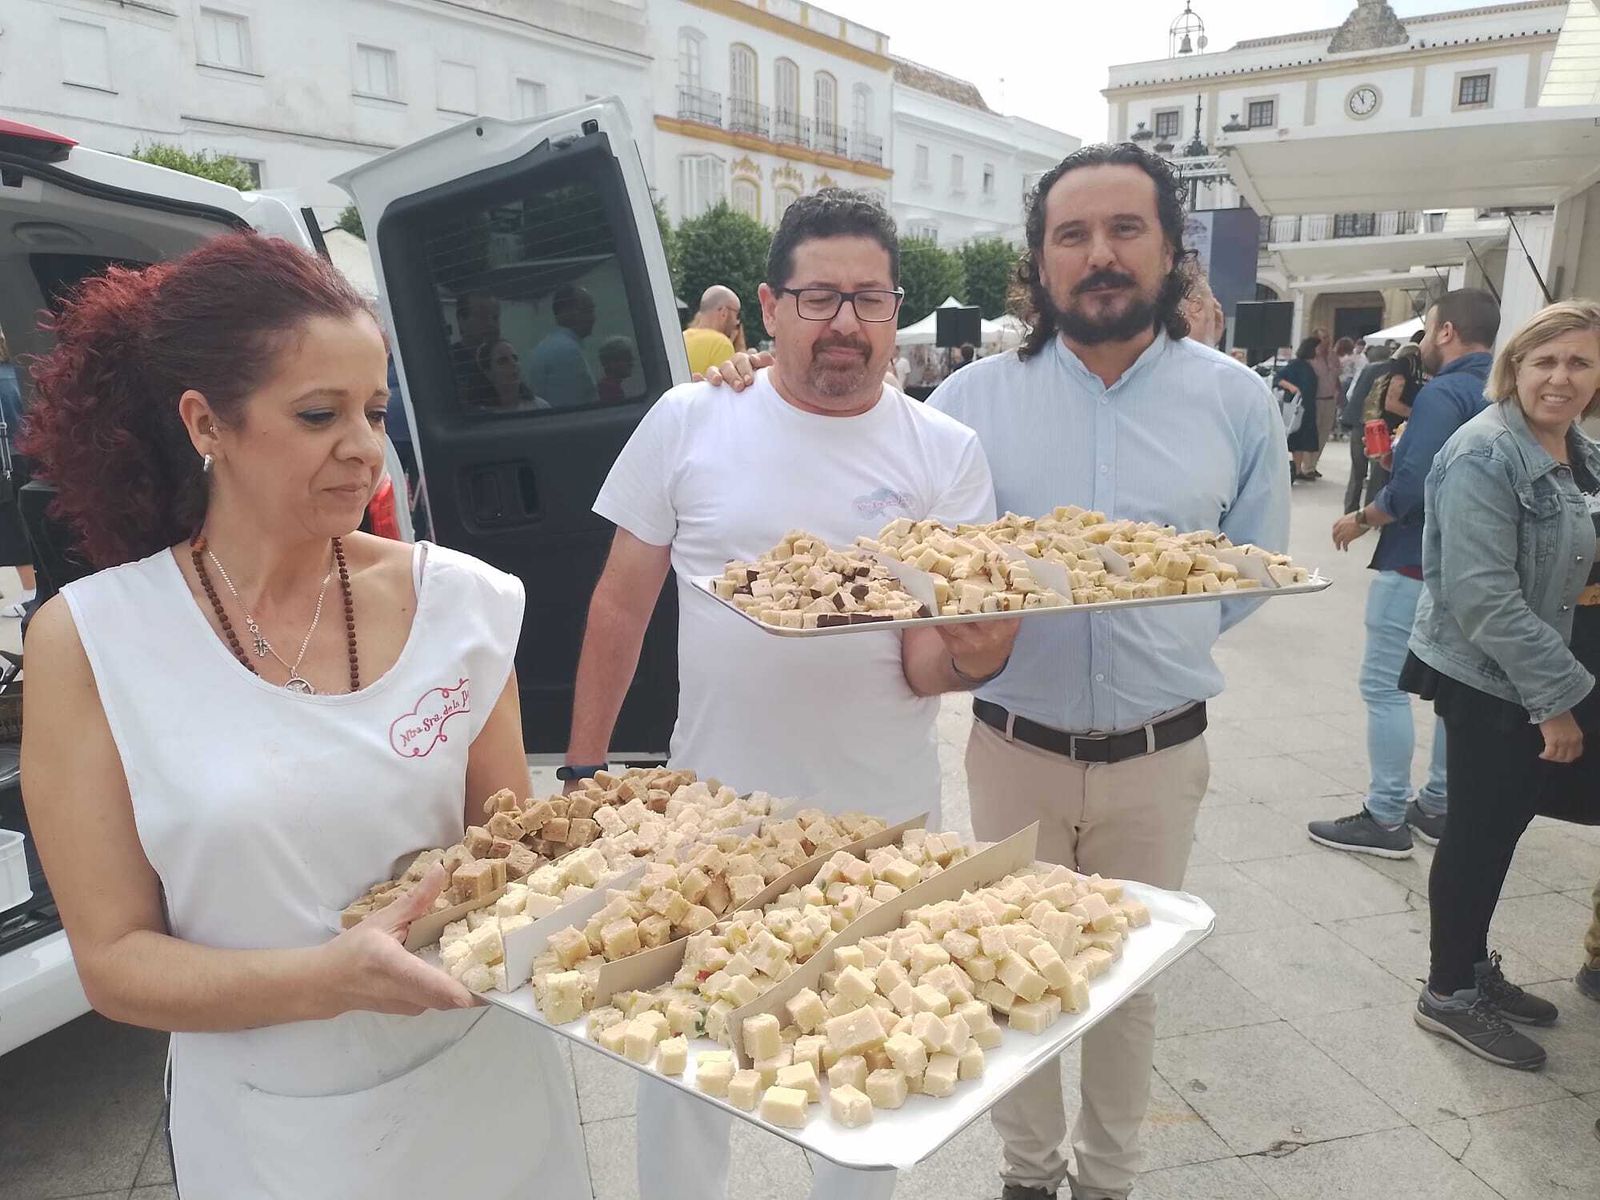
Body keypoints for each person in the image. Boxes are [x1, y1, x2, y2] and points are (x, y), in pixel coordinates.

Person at [17, 233, 587, 1197]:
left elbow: (510, 852)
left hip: (487, 1089)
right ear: (206, 423)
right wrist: (327, 981)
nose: (365, 448)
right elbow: (113, 961)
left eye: (374, 409)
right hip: (273, 1125)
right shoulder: (93, 641)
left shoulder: (464, 605)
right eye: (320, 414)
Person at [564, 189, 1016, 1200]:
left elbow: (923, 665)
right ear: (769, 306)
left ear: (896, 310)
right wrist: (588, 776)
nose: (845, 323)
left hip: (884, 824)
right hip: (711, 816)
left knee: (864, 1068)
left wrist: (981, 656)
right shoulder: (690, 419)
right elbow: (618, 609)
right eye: (818, 298)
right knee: (682, 1055)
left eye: (869, 298)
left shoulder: (945, 454)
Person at [926, 143, 1289, 1200]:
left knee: (1129, 978)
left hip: (1158, 753)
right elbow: (933, 566)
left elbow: (1250, 567)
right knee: (1009, 963)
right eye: (1070, 236)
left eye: (1124, 230)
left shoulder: (1235, 402)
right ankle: (1026, 1175)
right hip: (1013, 749)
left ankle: (1110, 1180)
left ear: (1171, 250)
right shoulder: (967, 406)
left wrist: (1156, 644)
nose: (1099, 256)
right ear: (1037, 264)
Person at [1400, 300, 1600, 1070]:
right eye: (1543, 361)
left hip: (1544, 666)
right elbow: (1482, 595)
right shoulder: (1486, 453)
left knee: (1502, 823)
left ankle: (1475, 967)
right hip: (1497, 678)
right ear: (1512, 367)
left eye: (1578, 362)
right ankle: (1448, 992)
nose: (1559, 377)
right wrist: (1558, 702)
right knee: (1480, 830)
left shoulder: (1576, 448)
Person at [1313, 289, 1501, 858]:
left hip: (1418, 558)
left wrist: (1364, 516)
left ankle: (1386, 815)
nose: (1421, 343)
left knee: (1383, 685)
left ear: (1446, 332)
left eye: (1427, 331)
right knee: (1452, 689)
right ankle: (1438, 805)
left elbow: (1417, 484)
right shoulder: (1500, 391)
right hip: (1475, 564)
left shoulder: (1444, 391)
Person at [0, 329, 36, 616]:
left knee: (12, 528)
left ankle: (30, 592)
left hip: (6, 461)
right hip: (27, 453)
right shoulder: (16, 372)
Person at [1341, 342, 1395, 514]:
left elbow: (1351, 394)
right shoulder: (1393, 371)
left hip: (1359, 423)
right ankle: (1371, 512)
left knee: (1357, 472)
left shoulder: (1366, 370)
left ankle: (1350, 509)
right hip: (1379, 426)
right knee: (1377, 471)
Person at [524, 283, 598, 407]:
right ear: (565, 312)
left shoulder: (546, 346)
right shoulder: (568, 352)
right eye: (587, 310)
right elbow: (573, 408)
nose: (593, 318)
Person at [1275, 337, 1322, 481]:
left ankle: (1297, 467)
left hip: (1307, 406)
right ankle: (1295, 468)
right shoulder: (1296, 364)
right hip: (1299, 407)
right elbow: (1278, 378)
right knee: (1297, 437)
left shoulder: (1309, 365)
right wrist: (1292, 388)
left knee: (1301, 439)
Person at [449, 290, 501, 408]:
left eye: (495, 317)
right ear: (461, 321)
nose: (491, 324)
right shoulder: (448, 364)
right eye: (482, 317)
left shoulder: (505, 359)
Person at [681, 284, 740, 377]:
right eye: (737, 314)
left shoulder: (681, 338)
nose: (737, 322)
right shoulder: (721, 344)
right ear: (724, 312)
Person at [478, 339, 548, 410]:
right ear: (488, 373)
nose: (513, 363)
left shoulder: (540, 406)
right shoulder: (482, 413)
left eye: (515, 358)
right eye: (503, 361)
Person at [597, 335, 637, 404]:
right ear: (612, 363)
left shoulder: (605, 387)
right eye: (627, 359)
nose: (631, 363)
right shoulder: (611, 391)